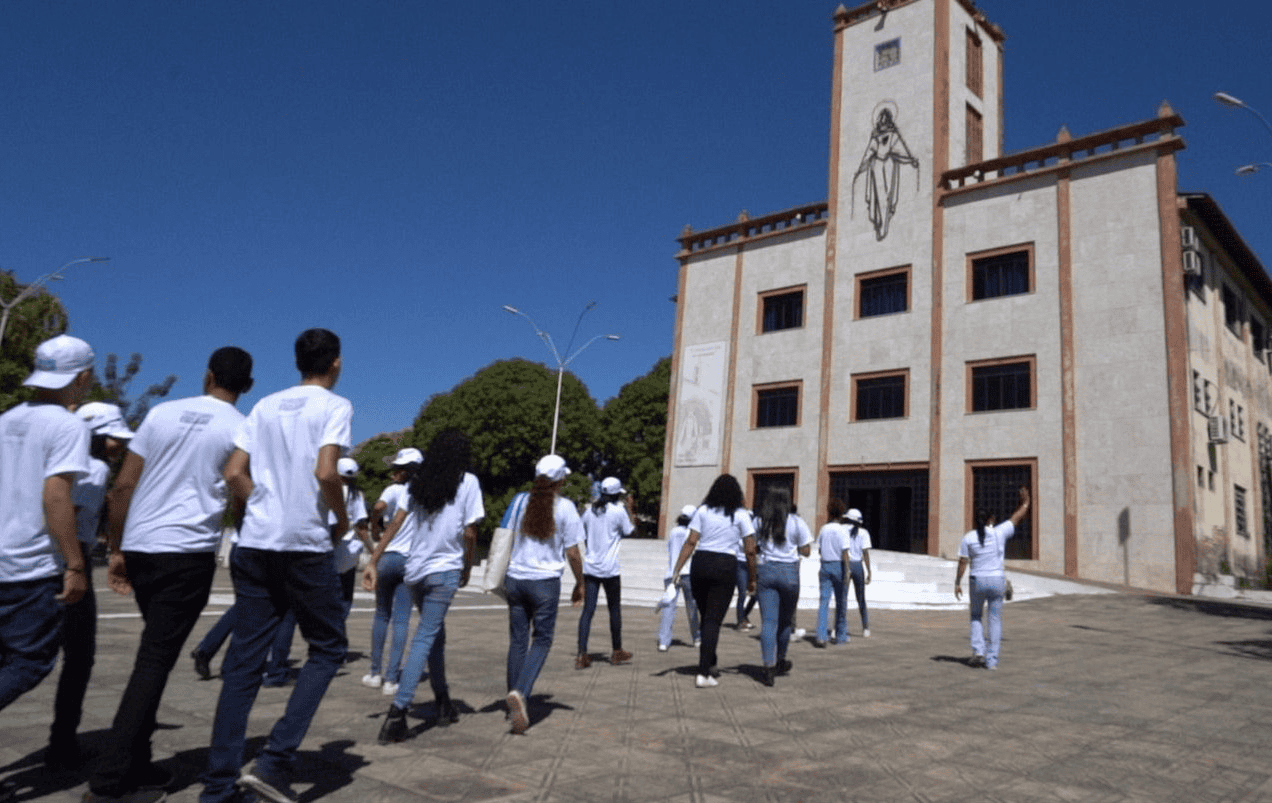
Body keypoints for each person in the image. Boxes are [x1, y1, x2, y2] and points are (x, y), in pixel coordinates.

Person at [84, 347, 253, 803]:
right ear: (247, 386)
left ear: (208, 375)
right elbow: (239, 490)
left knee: (152, 653)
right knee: (154, 660)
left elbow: (123, 485)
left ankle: (137, 764)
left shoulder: (160, 413)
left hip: (142, 546)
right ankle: (109, 781)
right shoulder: (242, 427)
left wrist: (117, 549)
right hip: (187, 553)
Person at [201, 329, 352, 803]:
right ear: (335, 363)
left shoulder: (264, 404)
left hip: (256, 542)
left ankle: (219, 782)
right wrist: (341, 517)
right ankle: (275, 759)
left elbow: (233, 472)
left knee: (244, 661)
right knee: (327, 648)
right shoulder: (335, 406)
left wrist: (261, 503)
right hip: (303, 544)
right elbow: (327, 471)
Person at [368, 430, 483, 744]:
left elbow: (394, 523)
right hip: (444, 570)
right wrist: (468, 565)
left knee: (435, 635)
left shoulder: (417, 483)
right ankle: (398, 713)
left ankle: (443, 701)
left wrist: (373, 559)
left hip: (415, 571)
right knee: (424, 637)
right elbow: (470, 532)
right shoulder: (468, 482)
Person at [0, 335, 93, 713]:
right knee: (29, 662)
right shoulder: (68, 426)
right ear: (83, 377)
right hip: (31, 565)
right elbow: (55, 496)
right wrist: (74, 562)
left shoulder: (6, 420)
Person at [45, 403, 133, 773]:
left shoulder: (52, 459)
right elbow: (70, 516)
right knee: (77, 657)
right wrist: (76, 564)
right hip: (68, 559)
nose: (119, 446)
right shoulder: (94, 469)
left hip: (30, 559)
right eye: (113, 438)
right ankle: (62, 743)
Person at [503, 455, 584, 735]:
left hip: (516, 578)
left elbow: (506, 536)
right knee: (543, 639)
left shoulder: (519, 502)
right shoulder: (566, 508)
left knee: (518, 641)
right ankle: (521, 693)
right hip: (544, 582)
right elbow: (573, 552)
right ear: (561, 480)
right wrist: (580, 583)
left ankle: (512, 696)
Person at [670, 474, 756, 689]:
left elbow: (691, 542)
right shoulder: (740, 515)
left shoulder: (703, 511)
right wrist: (753, 578)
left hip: (701, 563)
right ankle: (704, 671)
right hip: (725, 565)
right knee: (713, 620)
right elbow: (750, 550)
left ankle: (711, 661)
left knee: (706, 616)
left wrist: (677, 569)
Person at [362, 447, 423, 694]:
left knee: (381, 615)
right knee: (401, 620)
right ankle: (391, 679)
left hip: (389, 556)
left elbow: (383, 512)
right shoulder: (426, 494)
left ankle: (375, 673)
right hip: (411, 560)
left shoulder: (395, 491)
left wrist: (374, 529)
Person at [955, 486, 1030, 670]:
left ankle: (978, 651)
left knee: (976, 616)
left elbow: (963, 563)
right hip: (997, 581)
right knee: (995, 620)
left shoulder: (969, 537)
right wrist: (1026, 502)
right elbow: (1017, 517)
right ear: (991, 520)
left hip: (977, 581)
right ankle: (992, 661)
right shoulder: (999, 532)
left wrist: (957, 583)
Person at [753, 488, 811, 686]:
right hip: (789, 574)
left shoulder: (760, 521)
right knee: (785, 622)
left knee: (769, 622)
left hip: (766, 571)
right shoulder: (797, 522)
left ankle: (767, 666)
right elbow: (806, 550)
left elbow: (752, 546)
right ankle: (781, 660)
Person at [576, 477, 635, 668]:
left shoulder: (588, 512)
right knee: (614, 610)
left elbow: (582, 534)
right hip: (610, 569)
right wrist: (630, 509)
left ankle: (581, 654)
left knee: (588, 611)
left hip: (591, 567)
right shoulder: (618, 511)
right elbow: (630, 530)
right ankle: (617, 651)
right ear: (617, 494)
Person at [657, 505, 700, 652]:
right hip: (688, 573)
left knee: (669, 607)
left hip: (672, 573)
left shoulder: (673, 532)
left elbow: (670, 550)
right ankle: (697, 638)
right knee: (692, 607)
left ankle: (664, 641)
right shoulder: (693, 533)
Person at [814, 499, 851, 648]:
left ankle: (821, 635)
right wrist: (847, 571)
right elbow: (845, 552)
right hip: (839, 566)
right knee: (841, 602)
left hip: (825, 565)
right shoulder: (843, 530)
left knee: (824, 602)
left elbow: (819, 549)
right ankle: (841, 635)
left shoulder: (824, 529)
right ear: (841, 514)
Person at [843, 508, 873, 638]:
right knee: (861, 598)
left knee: (842, 598)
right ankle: (865, 627)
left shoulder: (842, 530)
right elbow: (865, 553)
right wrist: (869, 571)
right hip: (857, 565)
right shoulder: (863, 533)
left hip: (845, 563)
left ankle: (839, 627)